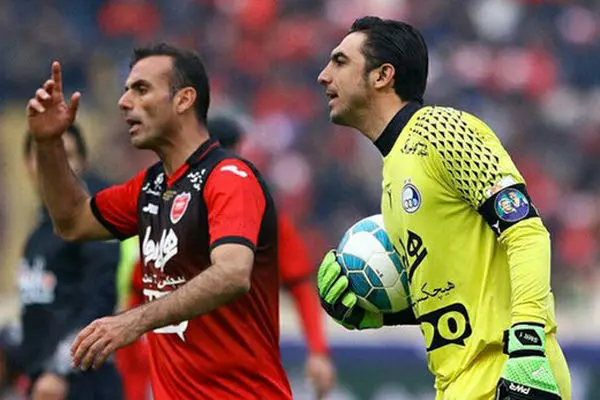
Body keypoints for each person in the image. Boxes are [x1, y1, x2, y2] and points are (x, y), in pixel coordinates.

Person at [315, 16, 571, 400]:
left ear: (383, 75)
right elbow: (458, 295)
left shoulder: (440, 130)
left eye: (340, 61)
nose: (323, 75)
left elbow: (527, 232)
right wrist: (383, 313)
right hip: (457, 382)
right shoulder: (393, 175)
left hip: (506, 370)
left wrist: (528, 349)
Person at [25, 43, 292, 399]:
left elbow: (232, 273)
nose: (124, 102)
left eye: (141, 89)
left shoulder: (229, 177)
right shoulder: (150, 187)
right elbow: (72, 222)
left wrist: (133, 320)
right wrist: (48, 144)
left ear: (183, 100)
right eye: (126, 90)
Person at [115, 116, 337, 400]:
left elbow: (300, 284)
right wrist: (135, 386)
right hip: (190, 378)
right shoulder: (171, 220)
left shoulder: (264, 219)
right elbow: (137, 295)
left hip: (245, 375)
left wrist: (318, 351)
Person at [0, 124, 123, 400]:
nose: (56, 165)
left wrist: (60, 370)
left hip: (83, 386)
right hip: (43, 383)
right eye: (45, 155)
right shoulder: (38, 235)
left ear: (83, 162)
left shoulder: (93, 225)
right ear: (28, 163)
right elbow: (39, 315)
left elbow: (100, 304)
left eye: (66, 155)